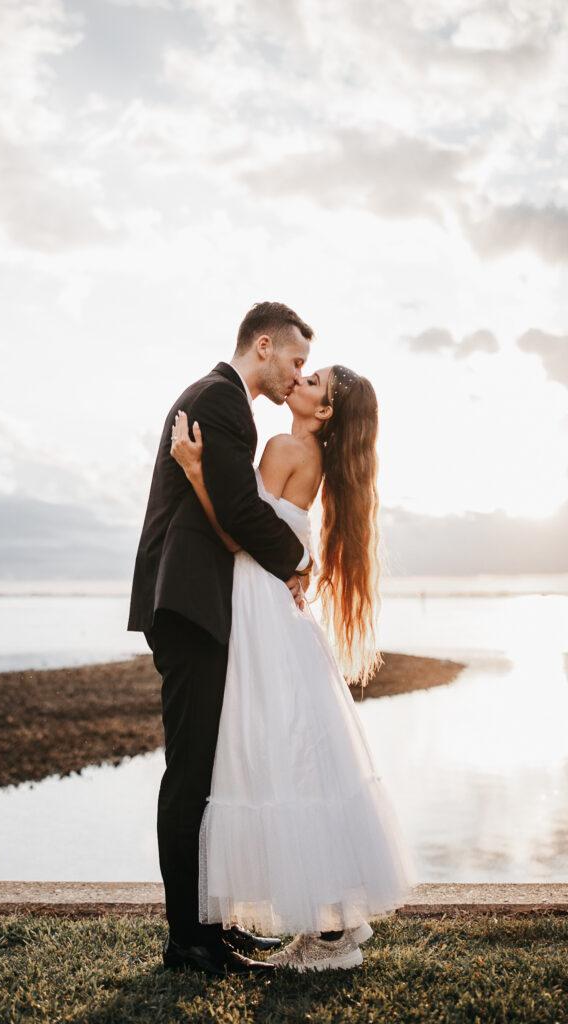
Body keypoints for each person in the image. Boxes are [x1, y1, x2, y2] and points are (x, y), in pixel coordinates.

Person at [169, 362, 418, 972]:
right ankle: (333, 923)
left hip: (259, 602)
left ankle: (329, 934)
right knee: (303, 759)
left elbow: (235, 532)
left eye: (312, 383)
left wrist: (197, 470)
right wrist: (297, 564)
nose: (298, 383)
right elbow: (275, 531)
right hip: (274, 602)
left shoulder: (284, 446)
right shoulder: (315, 456)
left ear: (325, 412)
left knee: (281, 757)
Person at [127, 301, 318, 978]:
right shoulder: (220, 399)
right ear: (262, 346)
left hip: (198, 603)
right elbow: (236, 509)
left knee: (208, 771)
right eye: (295, 360)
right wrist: (299, 563)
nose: (298, 375)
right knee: (190, 775)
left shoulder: (219, 400)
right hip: (189, 604)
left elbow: (232, 506)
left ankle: (213, 928)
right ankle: (188, 942)